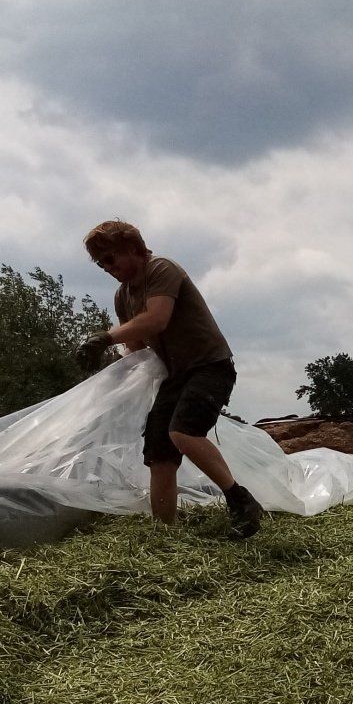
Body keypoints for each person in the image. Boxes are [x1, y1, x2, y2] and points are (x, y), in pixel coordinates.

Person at [78, 220, 266, 538]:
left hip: (210, 365)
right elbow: (137, 347)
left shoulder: (161, 269)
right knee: (158, 451)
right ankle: (165, 534)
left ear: (134, 249)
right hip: (175, 374)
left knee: (183, 431)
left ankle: (241, 501)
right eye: (101, 263)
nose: (107, 268)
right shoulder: (123, 295)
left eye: (111, 258)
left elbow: (156, 319)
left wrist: (104, 338)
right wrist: (114, 373)